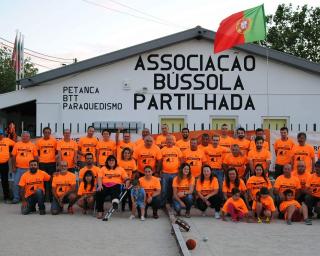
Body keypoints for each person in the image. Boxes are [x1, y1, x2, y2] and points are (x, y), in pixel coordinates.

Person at [11, 131, 38, 203]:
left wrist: (36, 168)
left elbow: (35, 157)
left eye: (27, 136)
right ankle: (16, 198)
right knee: (16, 183)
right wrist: (13, 167)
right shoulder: (17, 144)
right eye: (24, 136)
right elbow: (13, 156)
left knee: (28, 184)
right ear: (21, 137)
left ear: (29, 137)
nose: (25, 137)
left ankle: (27, 198)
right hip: (18, 168)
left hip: (29, 169)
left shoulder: (33, 145)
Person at [160, 135, 182, 205]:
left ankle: (173, 203)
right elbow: (160, 162)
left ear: (173, 141)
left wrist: (180, 171)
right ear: (166, 141)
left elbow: (181, 160)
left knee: (174, 190)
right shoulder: (162, 150)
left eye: (171, 140)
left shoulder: (177, 149)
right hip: (165, 173)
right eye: (168, 140)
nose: (169, 141)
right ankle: (163, 203)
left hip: (175, 173)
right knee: (164, 190)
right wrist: (159, 171)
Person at [36, 127, 57, 201]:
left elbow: (57, 152)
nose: (47, 134)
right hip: (42, 163)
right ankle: (44, 198)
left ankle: (51, 198)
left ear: (50, 133)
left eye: (48, 132)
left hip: (52, 163)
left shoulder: (54, 141)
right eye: (45, 132)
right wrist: (39, 160)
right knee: (43, 181)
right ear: (43, 133)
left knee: (52, 181)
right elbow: (37, 153)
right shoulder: (39, 141)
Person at [0, 129, 15, 202]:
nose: (0, 135)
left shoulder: (7, 140)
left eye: (1, 134)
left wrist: (11, 153)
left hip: (4, 164)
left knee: (5, 181)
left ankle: (6, 197)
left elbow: (16, 144)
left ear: (3, 134)